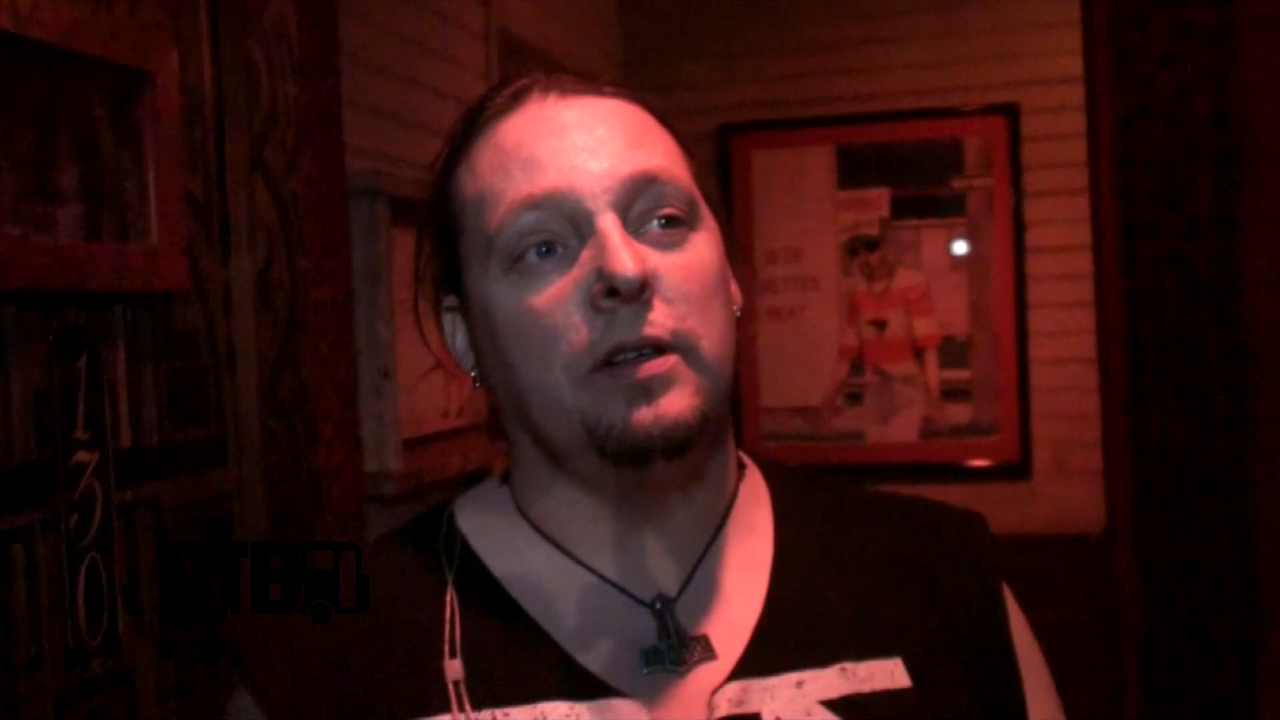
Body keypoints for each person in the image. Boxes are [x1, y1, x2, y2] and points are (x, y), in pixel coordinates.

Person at [225, 73, 1064, 720]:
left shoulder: (940, 576)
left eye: (663, 220)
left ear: (729, 279)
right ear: (465, 338)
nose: (624, 270)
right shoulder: (325, 646)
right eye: (543, 247)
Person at [827, 231, 947, 442]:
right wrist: (828, 398)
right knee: (876, 450)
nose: (863, 258)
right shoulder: (857, 291)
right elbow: (846, 353)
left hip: (906, 385)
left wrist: (933, 399)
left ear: (884, 249)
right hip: (875, 386)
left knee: (899, 447)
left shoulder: (911, 283)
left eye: (870, 249)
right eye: (855, 253)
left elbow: (929, 348)